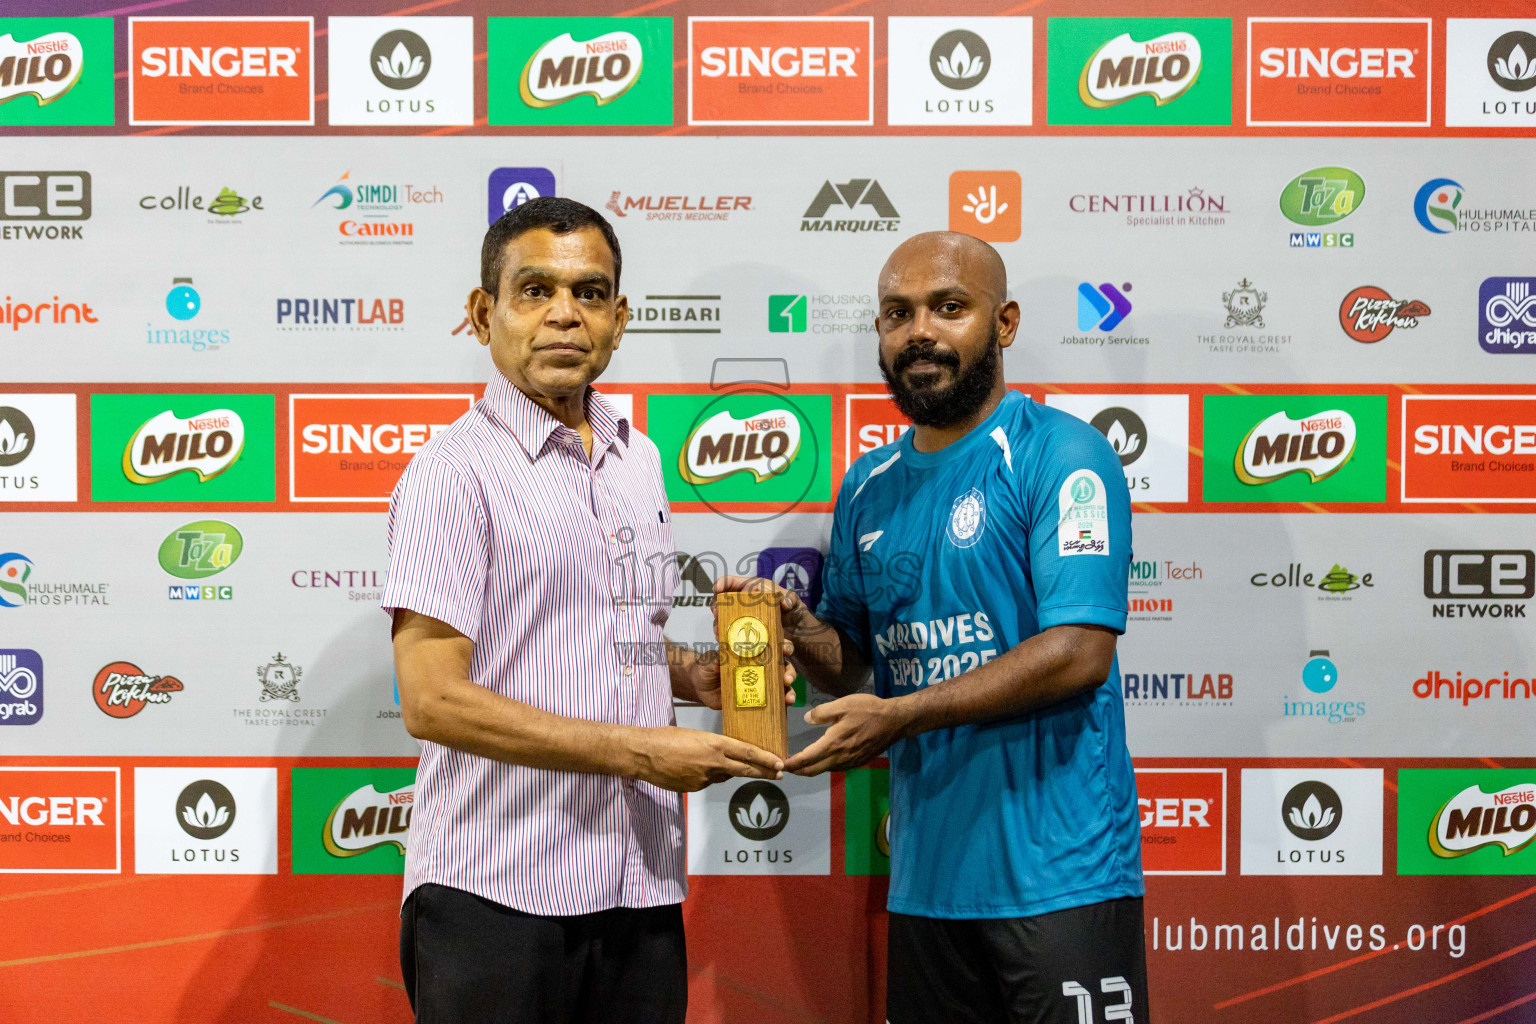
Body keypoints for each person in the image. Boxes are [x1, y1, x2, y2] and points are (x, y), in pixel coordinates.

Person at [717, 232, 1148, 1023]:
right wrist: (799, 627)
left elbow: (1080, 652)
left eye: (949, 308)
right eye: (897, 313)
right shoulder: (867, 485)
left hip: (1062, 879)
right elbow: (858, 672)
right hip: (928, 886)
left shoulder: (1063, 454)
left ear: (1005, 322)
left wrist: (902, 716)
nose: (919, 331)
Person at [382, 196, 793, 1024]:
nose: (564, 313)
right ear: (482, 313)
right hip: (495, 893)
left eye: (590, 293)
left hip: (635, 888)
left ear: (619, 319)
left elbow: (593, 635)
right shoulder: (451, 474)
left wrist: (695, 677)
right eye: (534, 290)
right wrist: (641, 753)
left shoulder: (636, 459)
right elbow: (432, 700)